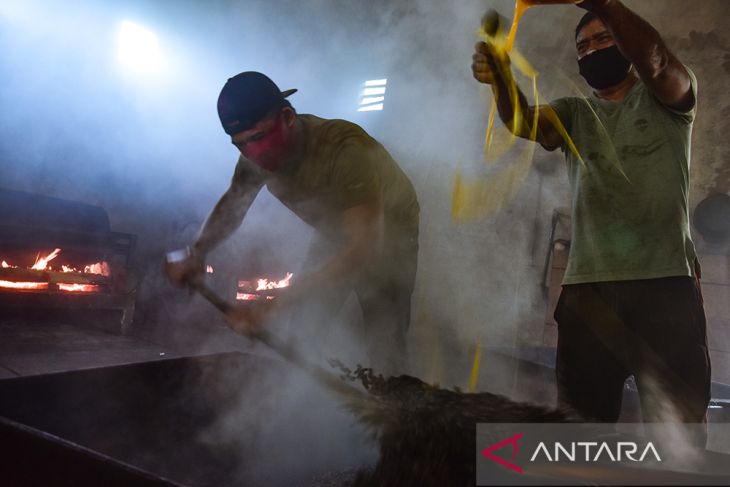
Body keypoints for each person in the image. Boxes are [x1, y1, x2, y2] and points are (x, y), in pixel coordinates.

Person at [471, 0, 710, 444]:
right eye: (582, 47)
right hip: (589, 295)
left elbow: (656, 60)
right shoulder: (575, 114)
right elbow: (524, 122)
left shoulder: (670, 98)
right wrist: (501, 77)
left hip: (664, 288)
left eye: (603, 39)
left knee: (679, 436)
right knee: (580, 430)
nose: (592, 51)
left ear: (624, 41)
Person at [164, 71, 419, 375]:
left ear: (287, 116)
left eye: (259, 138)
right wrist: (198, 251)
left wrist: (270, 307)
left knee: (384, 334)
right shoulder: (253, 155)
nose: (253, 153)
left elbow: (361, 250)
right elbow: (234, 202)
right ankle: (307, 406)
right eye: (241, 144)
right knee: (304, 329)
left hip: (388, 231)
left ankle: (396, 412)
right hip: (334, 229)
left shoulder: (346, 148)